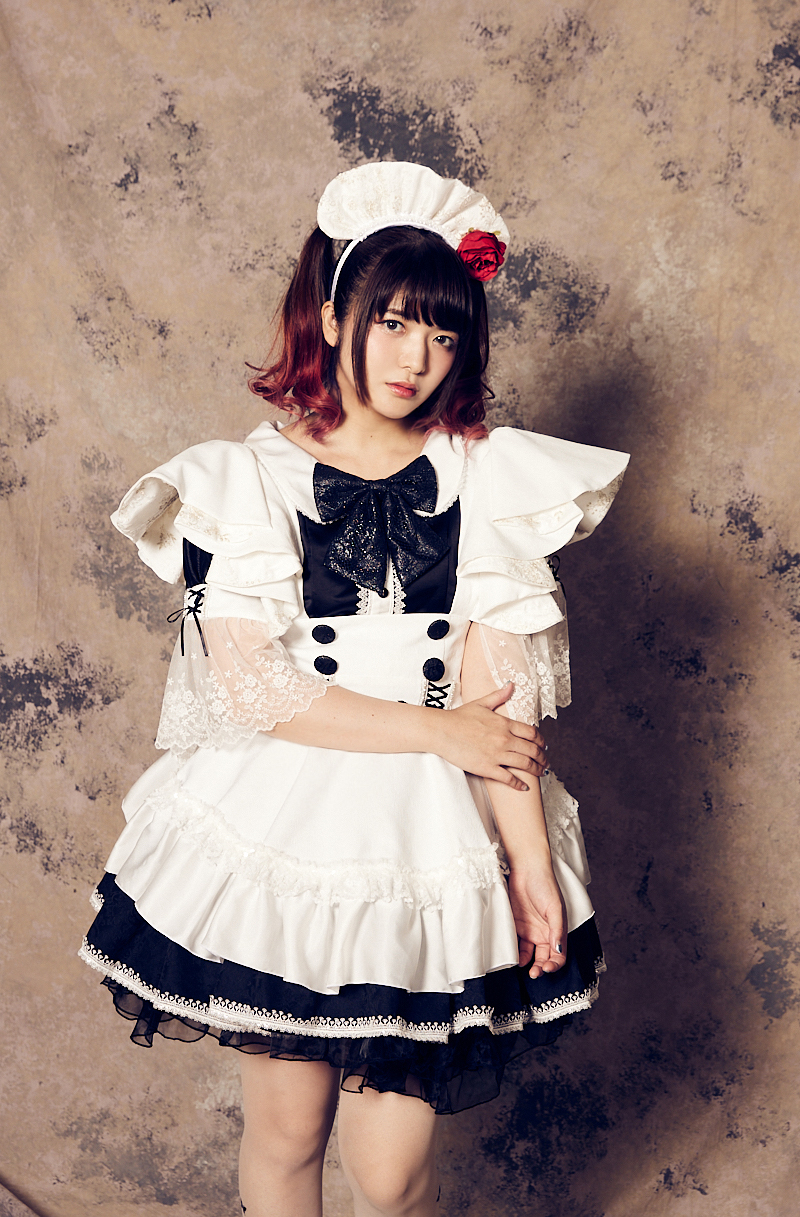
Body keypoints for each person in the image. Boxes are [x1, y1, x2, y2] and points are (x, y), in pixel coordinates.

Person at [80, 161, 629, 1217]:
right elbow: (255, 686)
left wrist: (528, 867)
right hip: (289, 818)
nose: (415, 357)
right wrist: (438, 732)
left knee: (390, 1173)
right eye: (392, 322)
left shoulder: (490, 477)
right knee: (288, 1133)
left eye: (443, 334)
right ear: (333, 316)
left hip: (434, 842)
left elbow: (499, 714)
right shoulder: (240, 479)